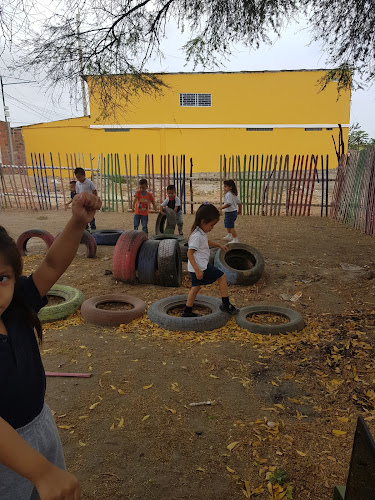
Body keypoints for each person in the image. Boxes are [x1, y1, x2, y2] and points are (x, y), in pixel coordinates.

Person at [0, 191, 101, 500]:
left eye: (0, 278)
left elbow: (53, 263)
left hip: (41, 424)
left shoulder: (16, 307)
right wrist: (41, 471)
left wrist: (76, 222)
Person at [183, 203, 239, 317]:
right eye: (211, 225)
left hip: (199, 267)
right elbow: (189, 253)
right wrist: (198, 270)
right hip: (201, 267)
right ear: (203, 222)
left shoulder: (200, 232)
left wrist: (218, 245)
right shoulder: (197, 236)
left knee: (195, 288)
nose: (212, 228)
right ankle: (226, 304)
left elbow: (206, 242)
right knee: (222, 276)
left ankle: (187, 312)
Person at [74, 167, 97, 232]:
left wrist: (94, 199)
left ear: (84, 175)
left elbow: (94, 190)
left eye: (80, 177)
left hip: (89, 201)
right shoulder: (77, 183)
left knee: (90, 215)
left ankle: (93, 228)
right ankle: (86, 227)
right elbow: (77, 193)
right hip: (82, 202)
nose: (78, 179)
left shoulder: (89, 182)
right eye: (77, 177)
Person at [221, 179, 241, 243]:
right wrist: (239, 210)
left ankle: (235, 239)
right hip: (233, 212)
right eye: (224, 186)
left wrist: (221, 207)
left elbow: (228, 204)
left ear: (230, 187)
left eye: (226, 186)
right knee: (228, 224)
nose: (224, 188)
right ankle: (229, 235)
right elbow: (239, 202)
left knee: (231, 226)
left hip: (230, 212)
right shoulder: (234, 194)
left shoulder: (228, 194)